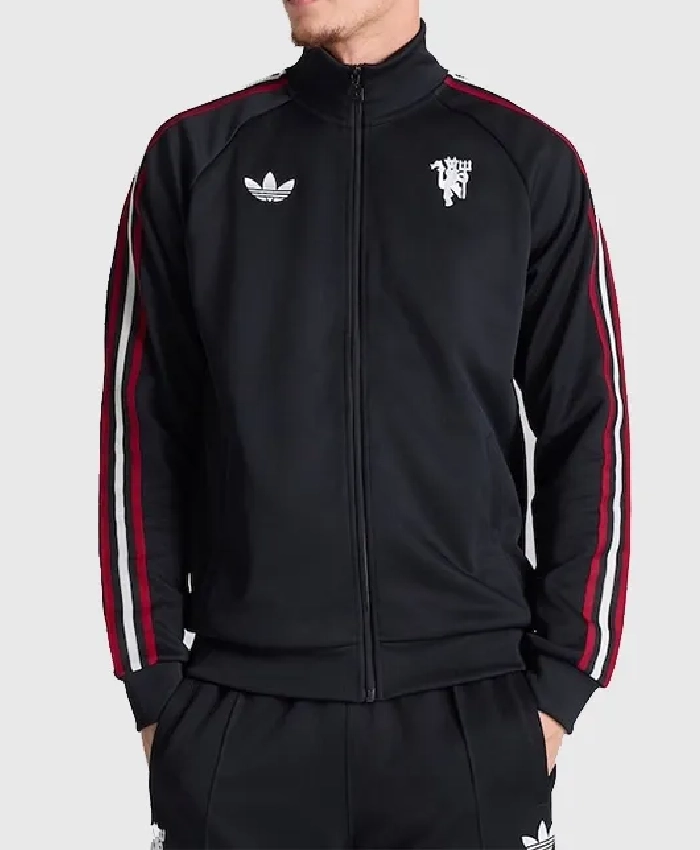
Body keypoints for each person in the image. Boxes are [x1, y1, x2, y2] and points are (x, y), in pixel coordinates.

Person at [98, 0, 630, 847]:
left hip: (471, 722)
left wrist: (561, 687)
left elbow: (591, 427)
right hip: (240, 723)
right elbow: (139, 435)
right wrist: (157, 692)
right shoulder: (194, 158)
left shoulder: (525, 162)